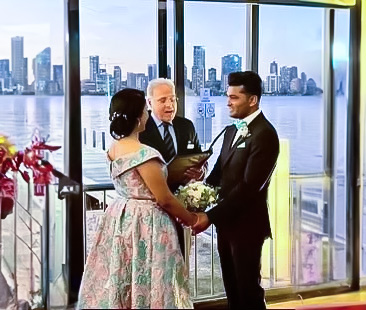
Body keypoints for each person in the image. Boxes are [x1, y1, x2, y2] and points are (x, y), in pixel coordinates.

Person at [77, 88, 196, 309]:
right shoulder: (145, 155)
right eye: (145, 110)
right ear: (138, 117)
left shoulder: (115, 148)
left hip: (120, 216)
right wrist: (191, 219)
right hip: (147, 222)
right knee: (154, 277)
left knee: (123, 272)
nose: (148, 114)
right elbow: (165, 198)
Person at [192, 71, 280, 310]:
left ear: (252, 100)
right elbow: (219, 172)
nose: (227, 102)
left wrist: (209, 217)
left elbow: (249, 187)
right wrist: (196, 198)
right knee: (231, 287)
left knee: (248, 290)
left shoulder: (266, 134)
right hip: (226, 223)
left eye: (234, 97)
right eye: (227, 96)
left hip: (248, 226)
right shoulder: (232, 130)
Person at [139, 78, 205, 255]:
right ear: (149, 102)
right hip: (154, 210)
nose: (170, 105)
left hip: (183, 207)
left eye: (173, 99)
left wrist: (200, 173)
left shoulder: (186, 126)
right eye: (163, 100)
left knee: (181, 259)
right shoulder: (140, 132)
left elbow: (199, 160)